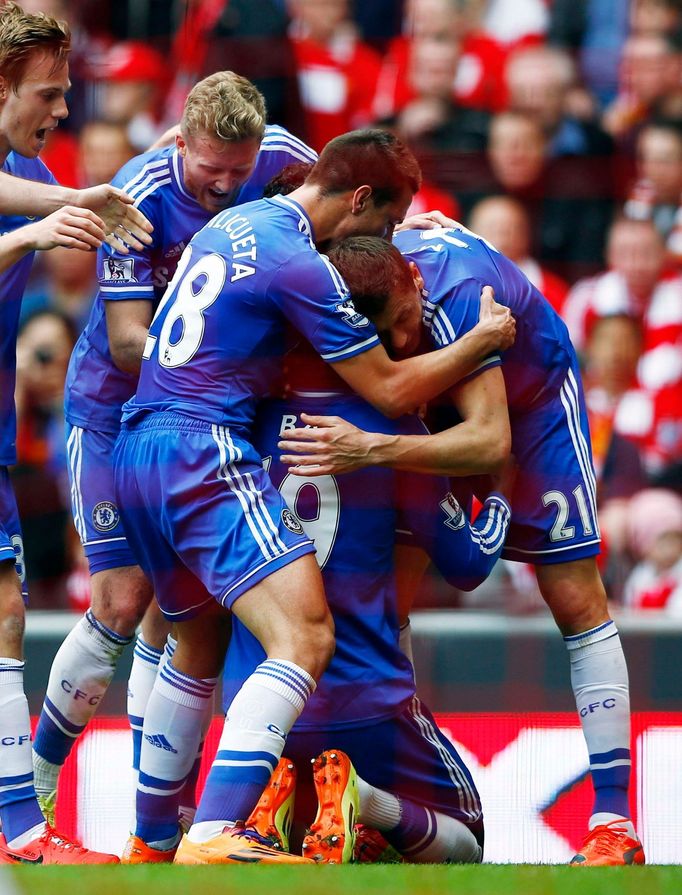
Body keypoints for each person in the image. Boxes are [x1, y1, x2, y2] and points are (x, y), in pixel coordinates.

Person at [112, 128, 515, 865]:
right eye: (387, 225)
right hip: (201, 446)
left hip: (136, 441)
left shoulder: (235, 221)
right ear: (359, 199)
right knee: (304, 635)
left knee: (193, 639)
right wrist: (480, 340)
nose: (386, 242)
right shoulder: (305, 266)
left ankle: (151, 837)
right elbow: (389, 389)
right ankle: (211, 832)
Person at [278, 229, 645, 867]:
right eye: (382, 331)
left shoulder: (456, 298)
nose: (396, 340)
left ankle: (614, 821)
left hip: (525, 406)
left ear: (415, 286)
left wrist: (374, 447)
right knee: (391, 585)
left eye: (401, 322)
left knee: (573, 595)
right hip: (426, 396)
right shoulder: (350, 287)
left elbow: (489, 443)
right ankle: (384, 792)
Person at [30, 70, 319, 823]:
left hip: (212, 417)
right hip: (113, 407)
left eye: (239, 169)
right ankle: (28, 793)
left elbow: (337, 219)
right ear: (181, 140)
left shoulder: (289, 159)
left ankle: (156, 818)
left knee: (183, 613)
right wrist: (218, 350)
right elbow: (128, 340)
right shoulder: (139, 192)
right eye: (210, 169)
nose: (225, 186)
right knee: (123, 601)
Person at [0, 1, 130, 865]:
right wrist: (46, 227)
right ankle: (19, 829)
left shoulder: (16, 170)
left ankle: (17, 826)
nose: (62, 110)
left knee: (5, 610)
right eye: (49, 92)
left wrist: (68, 198)